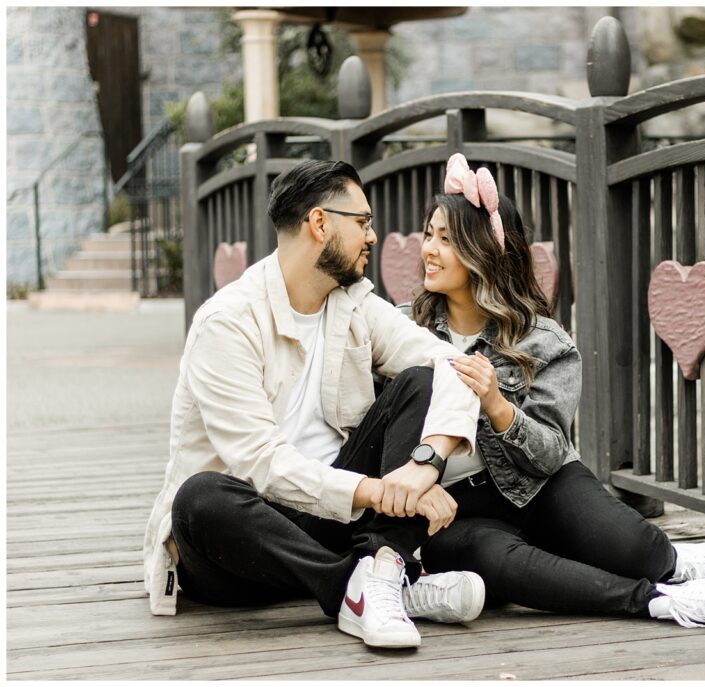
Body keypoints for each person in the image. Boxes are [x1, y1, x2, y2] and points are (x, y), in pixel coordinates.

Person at [142, 160, 489, 649]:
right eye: (363, 222)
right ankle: (366, 586)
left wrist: (425, 463)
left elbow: (454, 364)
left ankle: (382, 573)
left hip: (330, 520)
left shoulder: (352, 303)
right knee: (200, 498)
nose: (373, 237)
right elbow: (262, 463)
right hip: (240, 547)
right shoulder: (227, 322)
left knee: (418, 381)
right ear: (320, 223)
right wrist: (377, 491)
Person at [404, 153, 705, 629]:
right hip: (453, 505)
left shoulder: (543, 339)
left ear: (482, 250)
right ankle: (661, 600)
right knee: (500, 562)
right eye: (429, 234)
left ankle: (673, 564)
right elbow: (382, 425)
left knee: (633, 547)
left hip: (537, 484)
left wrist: (497, 406)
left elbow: (550, 455)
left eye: (445, 239)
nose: (428, 248)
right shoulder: (406, 328)